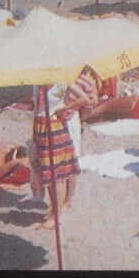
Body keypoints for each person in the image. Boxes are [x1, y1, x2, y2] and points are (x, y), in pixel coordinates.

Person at [30, 83, 80, 230]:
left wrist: (64, 109)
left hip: (53, 127)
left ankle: (56, 216)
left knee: (56, 176)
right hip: (40, 127)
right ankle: (55, 210)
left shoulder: (60, 82)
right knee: (49, 174)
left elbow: (86, 98)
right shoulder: (38, 83)